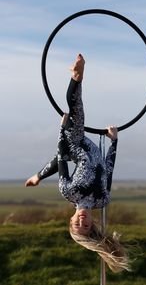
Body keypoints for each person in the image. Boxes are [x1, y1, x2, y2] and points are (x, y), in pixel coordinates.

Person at [25, 54, 131, 272]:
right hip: (95, 150)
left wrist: (62, 130)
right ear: (92, 224)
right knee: (77, 120)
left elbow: (62, 156)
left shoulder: (68, 192)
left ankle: (76, 77)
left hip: (74, 146)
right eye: (86, 226)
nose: (82, 221)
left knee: (77, 113)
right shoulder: (103, 200)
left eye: (77, 224)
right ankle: (37, 176)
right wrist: (114, 143)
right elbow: (108, 172)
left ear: (70, 220)